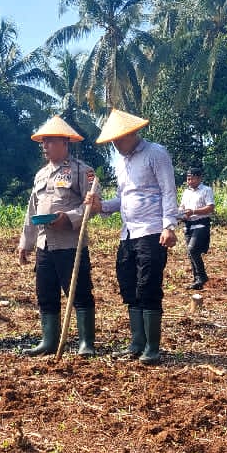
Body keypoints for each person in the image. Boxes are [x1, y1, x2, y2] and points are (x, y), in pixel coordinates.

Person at [85, 109, 179, 365]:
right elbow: (123, 198)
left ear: (132, 133)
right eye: (112, 141)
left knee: (148, 286)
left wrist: (169, 226)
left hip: (152, 231)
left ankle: (152, 347)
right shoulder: (121, 162)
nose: (115, 145)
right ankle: (137, 342)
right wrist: (100, 206)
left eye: (119, 139)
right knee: (129, 285)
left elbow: (168, 191)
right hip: (128, 234)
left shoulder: (155, 153)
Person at [18, 115, 99, 356]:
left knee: (79, 292)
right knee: (45, 292)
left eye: (50, 141)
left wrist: (69, 217)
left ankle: (86, 343)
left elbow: (93, 205)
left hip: (70, 244)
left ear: (65, 143)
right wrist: (26, 243)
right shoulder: (41, 175)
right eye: (43, 141)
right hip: (45, 244)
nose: (45, 146)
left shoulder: (82, 171)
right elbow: (32, 210)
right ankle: (48, 341)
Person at [179, 166, 215, 290]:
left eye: (192, 179)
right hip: (189, 225)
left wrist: (193, 211)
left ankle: (202, 277)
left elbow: (210, 208)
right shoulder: (186, 192)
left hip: (201, 224)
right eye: (188, 179)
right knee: (191, 253)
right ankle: (197, 280)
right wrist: (179, 214)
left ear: (199, 178)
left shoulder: (206, 190)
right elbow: (182, 207)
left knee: (192, 249)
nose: (189, 181)